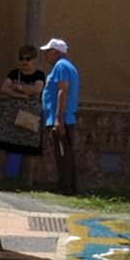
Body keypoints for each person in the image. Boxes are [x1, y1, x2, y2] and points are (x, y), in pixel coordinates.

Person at [0, 44, 44, 182]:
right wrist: (21, 95)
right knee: (1, 145)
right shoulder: (14, 73)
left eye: (28, 59)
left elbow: (37, 89)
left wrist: (18, 86)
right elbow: (4, 88)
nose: (25, 62)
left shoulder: (39, 75)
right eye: (22, 59)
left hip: (30, 117)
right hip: (11, 116)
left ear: (33, 60)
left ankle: (29, 182)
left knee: (30, 151)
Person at [40, 36, 79, 194]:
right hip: (62, 117)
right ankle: (67, 185)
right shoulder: (67, 66)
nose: (46, 55)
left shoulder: (61, 66)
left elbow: (63, 90)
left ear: (56, 52)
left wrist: (58, 117)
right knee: (64, 153)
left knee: (62, 153)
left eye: (48, 51)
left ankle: (66, 187)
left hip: (61, 119)